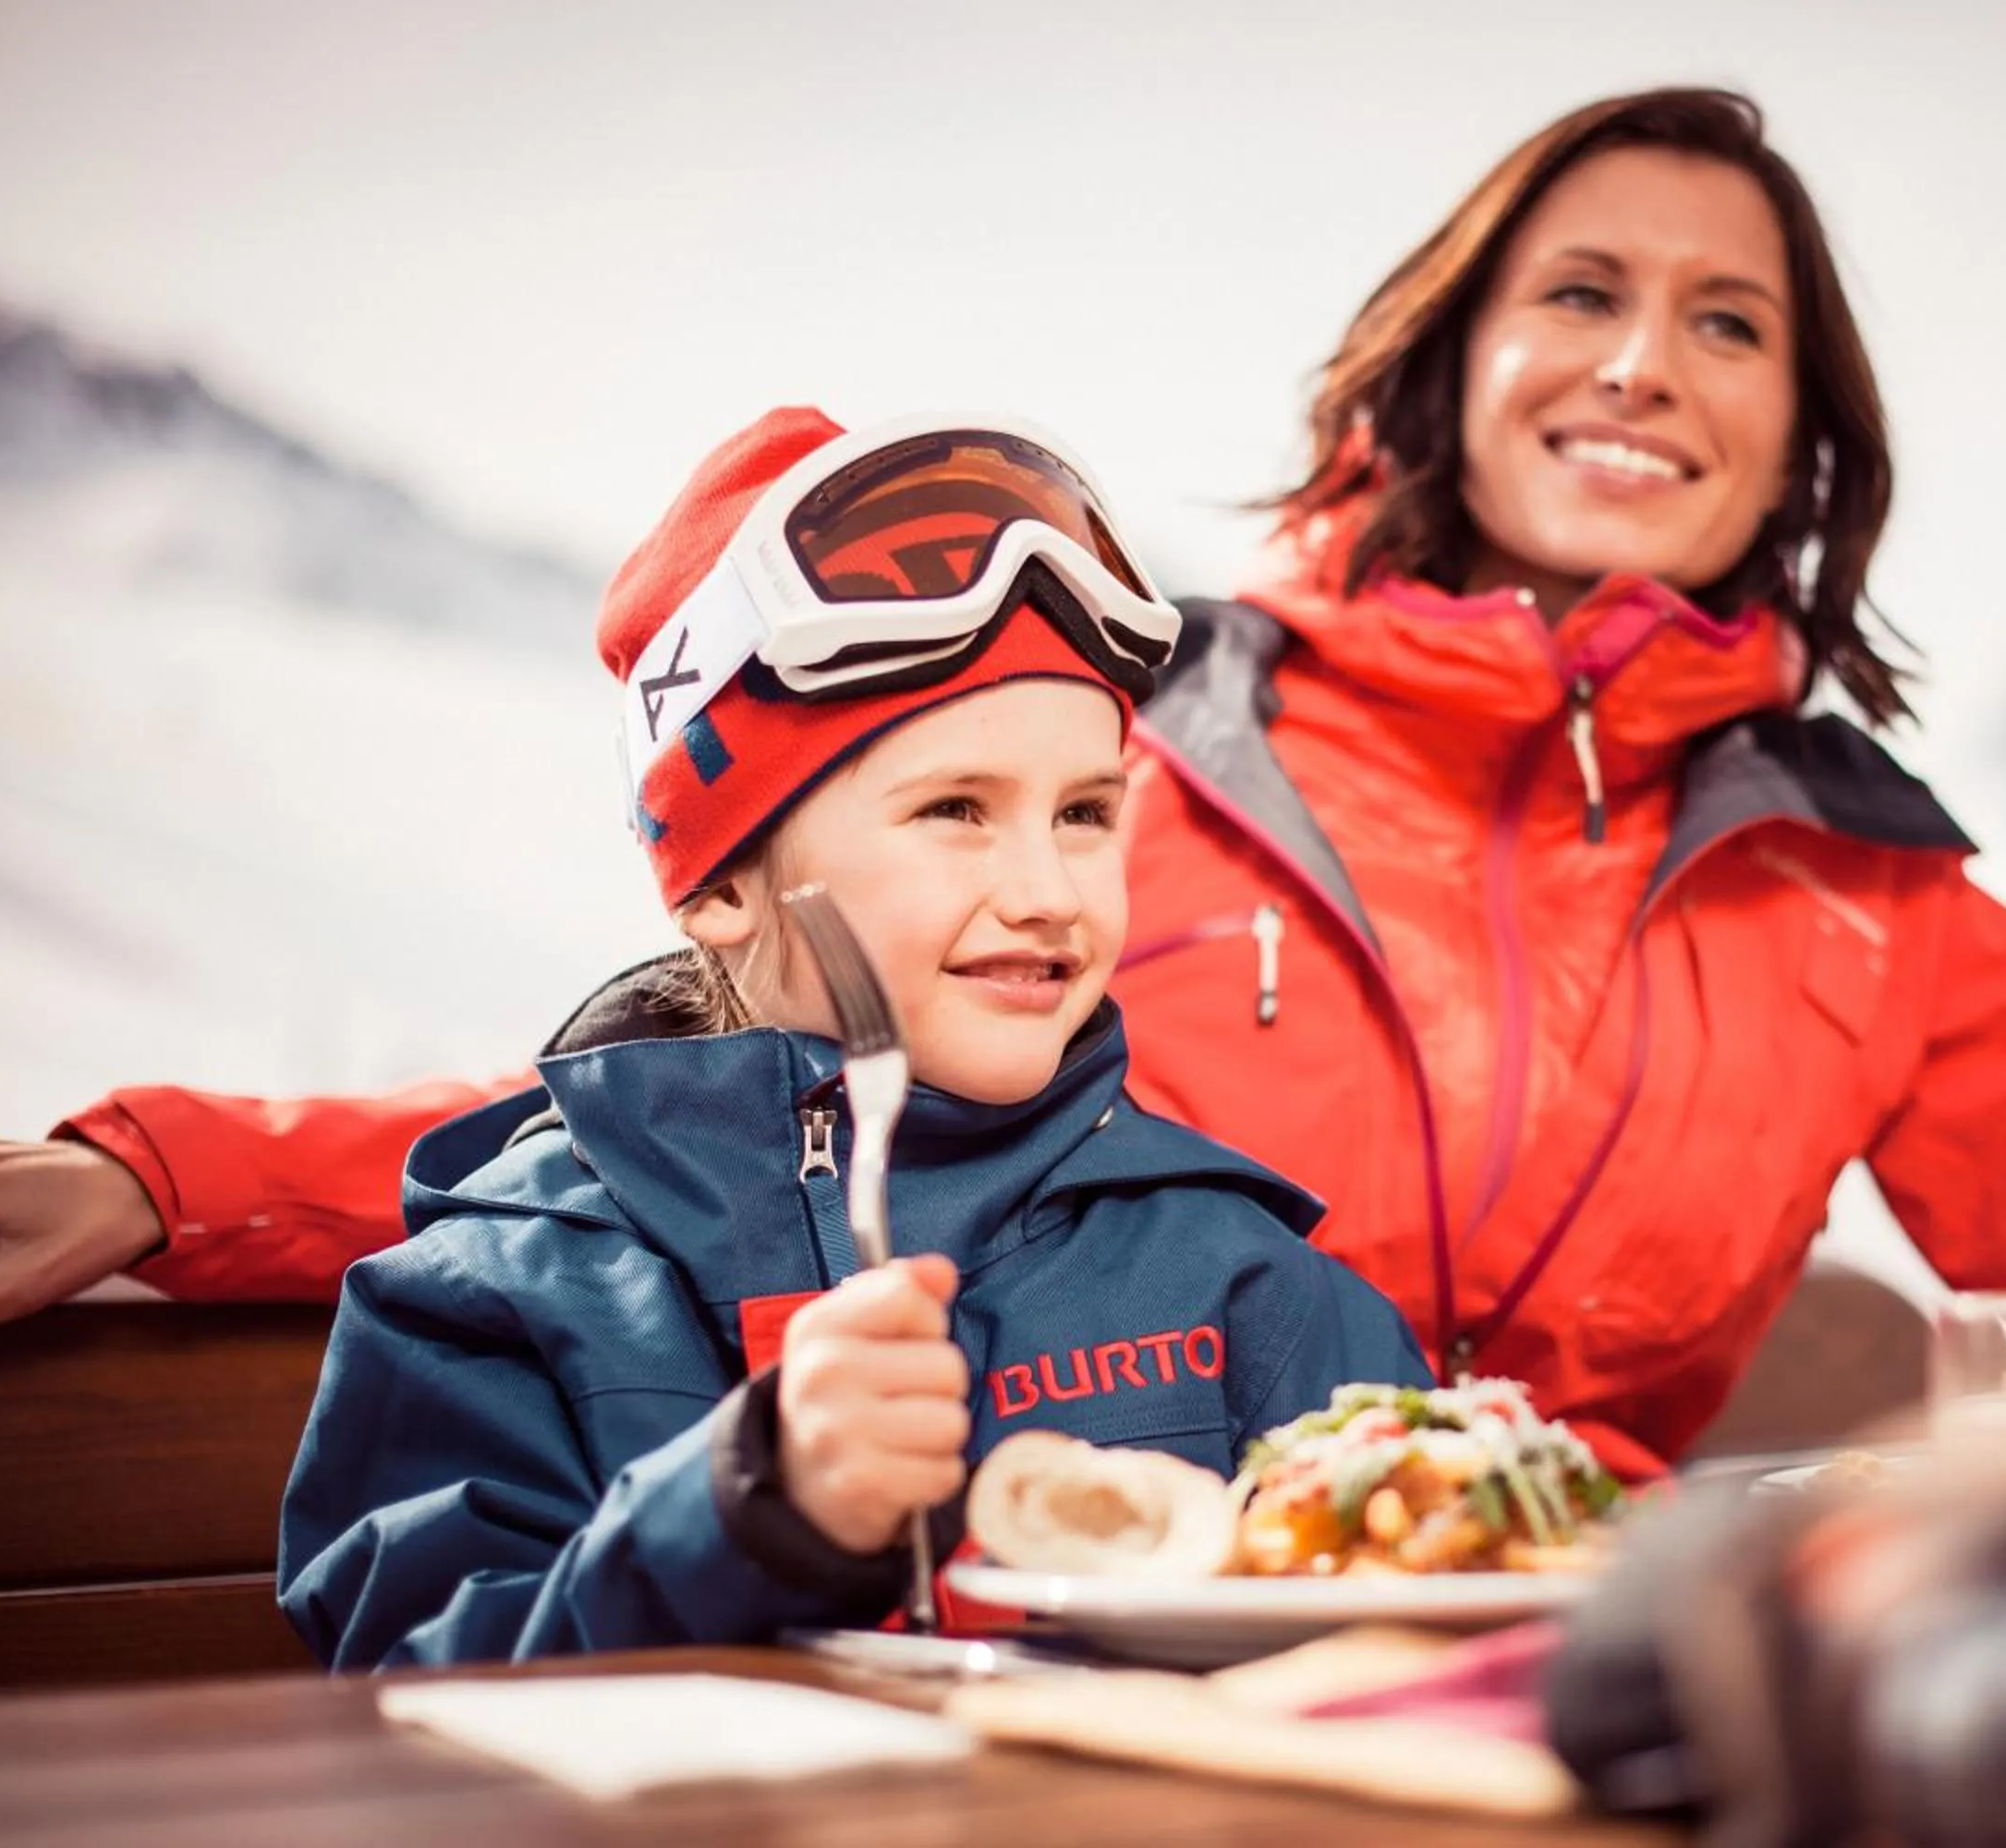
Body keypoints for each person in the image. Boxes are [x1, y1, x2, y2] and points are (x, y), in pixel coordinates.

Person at [0, 88, 2006, 1477]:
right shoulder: (1145, 746)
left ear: (1799, 432)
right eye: (1581, 292)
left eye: (1730, 321)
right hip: (1074, 1680)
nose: (1647, 361)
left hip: (1546, 1717)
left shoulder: (1875, 909)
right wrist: (177, 1171)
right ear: (1452, 354)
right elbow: (708, 1111)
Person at [276, 411, 1429, 1670]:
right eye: (956, 809)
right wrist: (741, 1513)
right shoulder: (504, 1293)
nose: (1048, 891)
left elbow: (1422, 1635)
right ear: (722, 881)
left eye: (1086, 813)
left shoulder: (1232, 1272)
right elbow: (408, 1700)